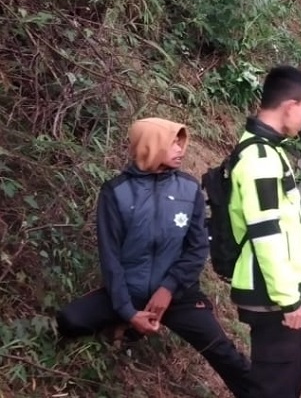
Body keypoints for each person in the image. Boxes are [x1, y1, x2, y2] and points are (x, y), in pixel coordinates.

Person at [55, 118, 255, 398]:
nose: (180, 149)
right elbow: (111, 260)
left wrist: (168, 288)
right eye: (173, 143)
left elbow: (197, 249)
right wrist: (128, 311)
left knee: (223, 352)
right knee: (70, 320)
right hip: (130, 291)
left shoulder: (189, 190)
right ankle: (128, 325)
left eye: (181, 143)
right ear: (150, 145)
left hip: (178, 295)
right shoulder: (116, 193)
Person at [228, 65, 301, 398]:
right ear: (289, 107)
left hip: (277, 292)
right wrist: (288, 300)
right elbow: (266, 233)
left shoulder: (270, 150)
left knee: (293, 366)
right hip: (271, 295)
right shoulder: (260, 159)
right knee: (275, 385)